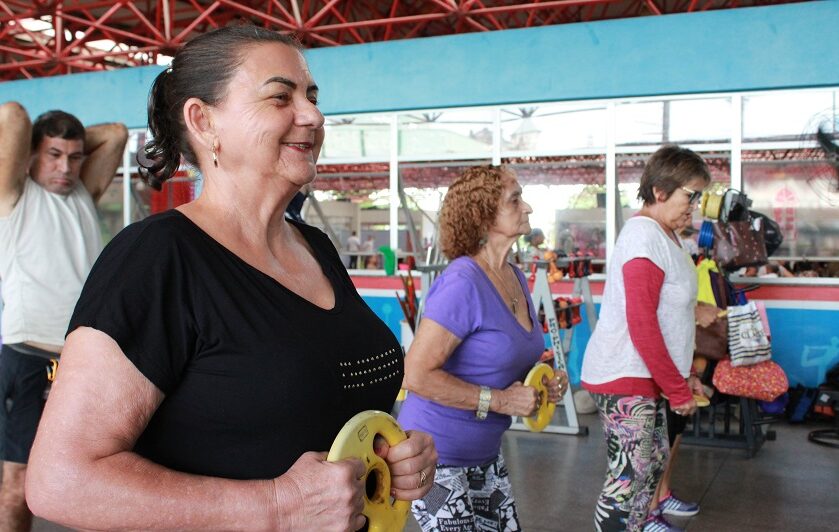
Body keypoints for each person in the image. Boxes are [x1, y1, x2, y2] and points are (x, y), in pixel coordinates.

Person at [25, 25, 436, 530]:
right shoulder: (159, 258)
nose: (312, 115)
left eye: (311, 96)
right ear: (204, 121)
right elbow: (60, 481)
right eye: (280, 97)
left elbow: (322, 412)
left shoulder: (317, 248)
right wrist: (278, 507)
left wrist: (393, 455)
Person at [398, 165, 569, 532]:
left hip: (485, 455)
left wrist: (542, 383)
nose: (528, 207)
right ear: (483, 215)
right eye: (515, 199)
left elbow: (499, 358)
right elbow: (415, 374)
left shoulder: (515, 277)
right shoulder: (462, 282)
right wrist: (504, 402)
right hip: (434, 455)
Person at [0, 103, 127, 531]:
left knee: (95, 477)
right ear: (30, 154)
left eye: (75, 157)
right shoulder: (12, 194)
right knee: (17, 483)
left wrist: (63, 150)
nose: (66, 167)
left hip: (82, 362)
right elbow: (12, 115)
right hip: (28, 355)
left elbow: (115, 132)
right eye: (53, 155)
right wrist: (34, 151)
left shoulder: (81, 195)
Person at [581, 145, 719, 532]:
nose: (694, 205)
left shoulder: (668, 237)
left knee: (650, 470)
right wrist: (676, 390)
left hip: (649, 379)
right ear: (660, 191)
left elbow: (673, 317)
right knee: (627, 483)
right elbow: (642, 323)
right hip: (624, 377)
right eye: (689, 195)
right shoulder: (644, 236)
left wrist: (685, 374)